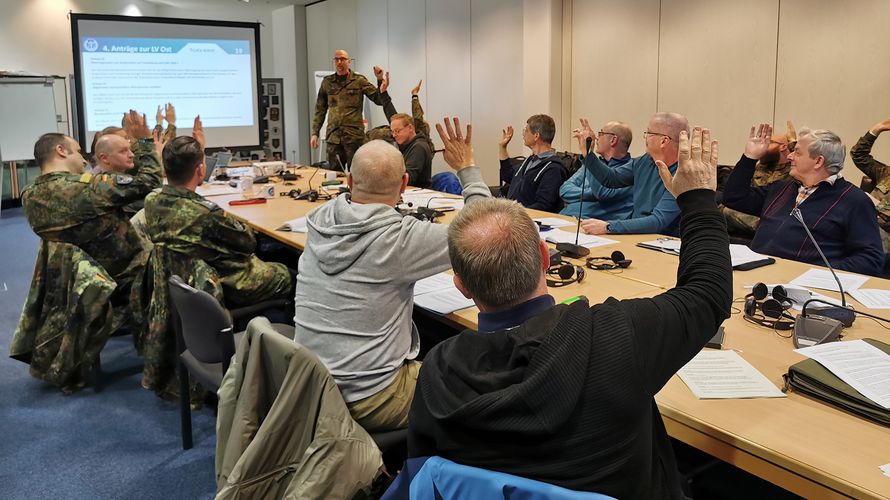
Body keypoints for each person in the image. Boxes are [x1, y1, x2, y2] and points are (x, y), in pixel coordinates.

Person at [406, 126, 731, 499]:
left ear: (460, 285)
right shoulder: (618, 336)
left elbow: (424, 477)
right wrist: (699, 201)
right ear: (546, 257)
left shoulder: (438, 371)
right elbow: (708, 293)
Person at [293, 118, 490, 433]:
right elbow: (485, 231)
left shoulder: (319, 219)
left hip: (310, 384)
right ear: (403, 184)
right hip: (369, 397)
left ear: (347, 181)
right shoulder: (401, 240)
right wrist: (467, 167)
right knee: (475, 388)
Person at [142, 117, 293, 308]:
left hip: (182, 283)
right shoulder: (207, 213)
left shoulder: (152, 202)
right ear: (200, 170)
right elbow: (249, 244)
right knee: (290, 273)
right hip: (224, 283)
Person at [21, 110, 161, 301]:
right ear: (61, 150)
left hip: (76, 283)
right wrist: (144, 141)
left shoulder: (28, 196)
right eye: (78, 152)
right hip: (127, 277)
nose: (84, 159)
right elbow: (150, 182)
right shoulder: (90, 188)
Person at [723, 123, 883, 276]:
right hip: (755, 274)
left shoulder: (854, 201)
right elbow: (734, 197)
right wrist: (750, 157)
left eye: (798, 153)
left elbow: (870, 259)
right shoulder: (782, 188)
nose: (790, 156)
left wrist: (816, 274)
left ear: (818, 161)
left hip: (804, 289)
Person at [576, 113, 684, 235]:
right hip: (636, 235)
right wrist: (588, 153)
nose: (645, 138)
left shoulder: (683, 175)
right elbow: (611, 179)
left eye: (648, 133)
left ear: (663, 141)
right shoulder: (645, 161)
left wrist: (608, 227)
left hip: (663, 243)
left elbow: (658, 221)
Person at [311, 49, 388, 169]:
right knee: (334, 175)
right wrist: (315, 133)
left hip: (354, 137)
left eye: (342, 59)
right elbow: (320, 110)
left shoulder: (359, 81)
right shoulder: (327, 83)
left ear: (349, 62)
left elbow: (378, 99)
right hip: (334, 138)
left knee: (357, 173)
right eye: (336, 59)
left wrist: (379, 81)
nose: (339, 62)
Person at [721, 121, 796, 239]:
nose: (763, 145)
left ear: (783, 146)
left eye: (769, 142)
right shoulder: (759, 166)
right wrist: (750, 157)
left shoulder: (794, 172)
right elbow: (735, 196)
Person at [559, 120, 633, 220]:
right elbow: (564, 190)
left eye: (601, 133)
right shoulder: (596, 163)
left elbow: (602, 194)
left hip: (598, 228)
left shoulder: (630, 170)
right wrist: (591, 193)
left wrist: (588, 154)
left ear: (613, 140)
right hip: (567, 219)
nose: (597, 137)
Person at [498, 114, 567, 213]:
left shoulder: (554, 169)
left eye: (526, 130)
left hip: (528, 222)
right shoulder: (530, 160)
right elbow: (508, 176)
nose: (523, 134)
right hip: (513, 216)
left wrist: (515, 213)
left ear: (536, 136)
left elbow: (544, 205)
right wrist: (502, 147)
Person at [850, 117, 890, 253]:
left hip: (880, 239)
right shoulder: (886, 173)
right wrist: (876, 129)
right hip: (862, 225)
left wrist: (876, 204)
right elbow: (858, 155)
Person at [389, 112, 433, 188]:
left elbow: (409, 179)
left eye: (397, 131)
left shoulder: (419, 147)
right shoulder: (405, 146)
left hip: (417, 194)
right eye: (392, 132)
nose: (394, 135)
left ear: (410, 128)